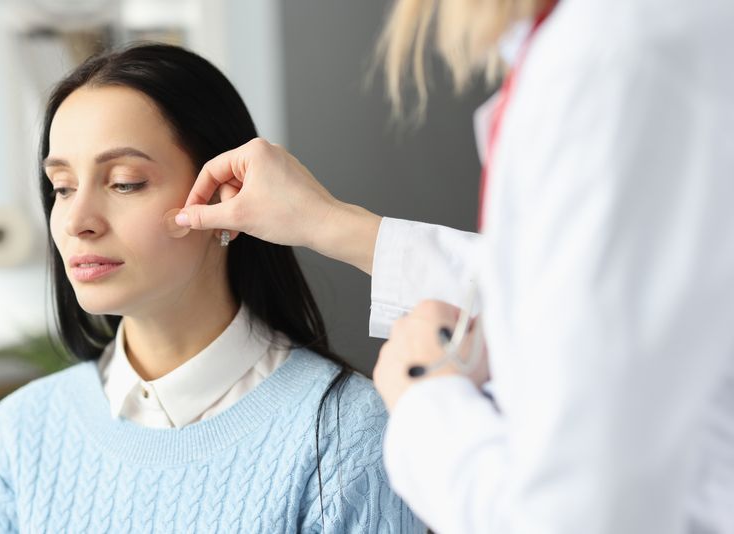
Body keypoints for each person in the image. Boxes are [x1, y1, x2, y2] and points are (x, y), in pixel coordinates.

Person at [173, 0, 734, 533]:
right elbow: (576, 291)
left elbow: (577, 517)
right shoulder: (610, 49)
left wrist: (426, 403)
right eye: (75, 187)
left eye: (127, 182)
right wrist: (327, 222)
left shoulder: (615, 61)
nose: (82, 223)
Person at [0, 43, 424, 533]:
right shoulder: (22, 431)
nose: (77, 221)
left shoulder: (344, 434)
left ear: (225, 197)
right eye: (62, 187)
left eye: (124, 183)